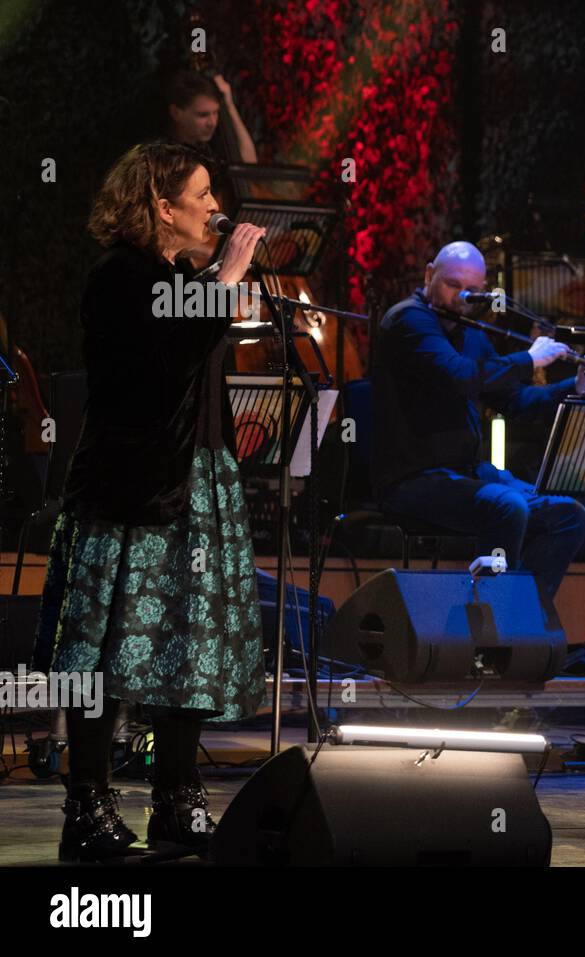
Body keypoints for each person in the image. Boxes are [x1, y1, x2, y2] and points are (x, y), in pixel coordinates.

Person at [33, 141, 267, 862]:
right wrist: (223, 279)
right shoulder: (120, 277)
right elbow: (160, 364)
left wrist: (219, 283)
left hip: (197, 481)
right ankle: (89, 806)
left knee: (191, 647)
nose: (212, 208)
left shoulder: (180, 276)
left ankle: (177, 798)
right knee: (106, 651)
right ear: (161, 205)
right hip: (130, 488)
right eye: (199, 195)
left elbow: (197, 363)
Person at [370, 241, 585, 600]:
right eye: (453, 285)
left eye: (472, 291)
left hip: (467, 473)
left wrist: (575, 388)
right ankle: (491, 627)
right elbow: (460, 376)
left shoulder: (470, 331)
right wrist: (529, 360)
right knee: (508, 506)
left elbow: (516, 402)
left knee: (570, 516)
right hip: (412, 478)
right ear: (429, 274)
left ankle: (522, 617)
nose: (462, 297)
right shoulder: (408, 320)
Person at [164, 69, 257, 165]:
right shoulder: (162, 157)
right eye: (203, 115)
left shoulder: (212, 148)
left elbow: (250, 167)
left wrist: (230, 106)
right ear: (175, 113)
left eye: (216, 113)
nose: (213, 123)